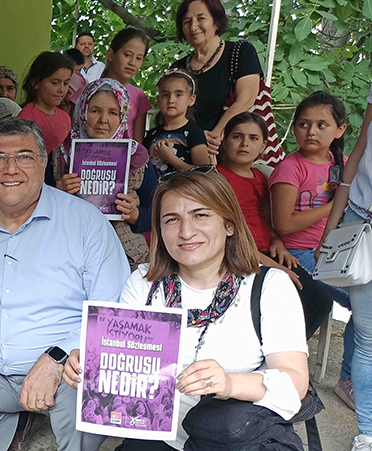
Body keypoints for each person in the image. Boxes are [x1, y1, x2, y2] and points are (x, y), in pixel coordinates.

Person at [0, 116, 129, 451]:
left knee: (90, 390)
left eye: (24, 156)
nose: (10, 169)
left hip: (64, 368)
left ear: (44, 163)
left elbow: (112, 308)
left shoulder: (85, 222)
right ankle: (13, 424)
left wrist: (58, 356)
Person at [65, 168, 309, 450]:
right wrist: (92, 366)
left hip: (230, 438)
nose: (186, 231)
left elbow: (294, 382)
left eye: (200, 215)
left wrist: (230, 383)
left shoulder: (269, 286)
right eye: (172, 219)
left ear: (229, 224)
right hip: (158, 437)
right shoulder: (144, 284)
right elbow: (123, 369)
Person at [270, 91, 353, 406]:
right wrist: (333, 206)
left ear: (340, 129)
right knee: (362, 301)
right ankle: (349, 379)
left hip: (338, 251)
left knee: (367, 298)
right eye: (304, 124)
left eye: (322, 125)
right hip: (299, 252)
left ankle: (353, 373)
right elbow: (285, 225)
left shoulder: (342, 164)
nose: (312, 132)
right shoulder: (291, 168)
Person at [319, 77, 372, 451]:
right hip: (362, 219)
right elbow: (358, 151)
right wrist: (333, 221)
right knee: (369, 341)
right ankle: (367, 433)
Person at [171, 0, 284, 164]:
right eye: (187, 21)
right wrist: (198, 141)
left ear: (216, 22)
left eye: (201, 19)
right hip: (191, 157)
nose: (193, 27)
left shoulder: (240, 52)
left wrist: (216, 135)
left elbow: (246, 99)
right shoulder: (177, 69)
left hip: (238, 155)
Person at [55, 79, 152, 267]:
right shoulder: (61, 154)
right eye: (95, 111)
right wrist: (57, 194)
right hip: (72, 255)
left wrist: (135, 215)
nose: (103, 120)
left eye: (113, 113)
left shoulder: (137, 156)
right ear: (82, 112)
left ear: (123, 117)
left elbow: (160, 213)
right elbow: (39, 207)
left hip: (126, 258)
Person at [217, 112, 302, 275]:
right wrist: (279, 270)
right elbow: (220, 235)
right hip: (235, 256)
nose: (244, 144)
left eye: (253, 138)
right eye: (237, 137)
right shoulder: (215, 178)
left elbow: (264, 219)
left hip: (267, 251)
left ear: (263, 146)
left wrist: (277, 242)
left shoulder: (262, 176)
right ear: (224, 142)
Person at [91, 28, 152, 144]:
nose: (132, 63)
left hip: (124, 160)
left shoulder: (139, 96)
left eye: (138, 58)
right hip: (88, 158)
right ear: (111, 55)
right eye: (127, 55)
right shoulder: (87, 92)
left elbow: (136, 144)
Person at [144, 69, 210, 176]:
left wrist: (171, 158)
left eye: (178, 95)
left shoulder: (195, 133)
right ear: (158, 100)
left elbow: (203, 172)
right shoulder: (152, 134)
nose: (171, 100)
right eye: (165, 95)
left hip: (184, 190)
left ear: (191, 100)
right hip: (154, 191)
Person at [18, 52, 74, 155]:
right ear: (36, 82)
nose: (61, 89)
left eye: (66, 83)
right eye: (55, 83)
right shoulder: (26, 118)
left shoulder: (65, 118)